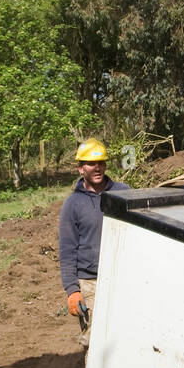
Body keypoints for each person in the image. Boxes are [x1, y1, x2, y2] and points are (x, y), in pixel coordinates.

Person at [59, 139, 129, 350]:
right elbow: (67, 249)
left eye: (101, 162)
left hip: (121, 276)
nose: (97, 167)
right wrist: (72, 290)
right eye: (91, 163)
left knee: (124, 334)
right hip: (90, 281)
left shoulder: (123, 193)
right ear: (80, 168)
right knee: (95, 339)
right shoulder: (73, 204)